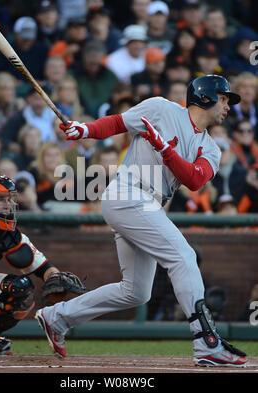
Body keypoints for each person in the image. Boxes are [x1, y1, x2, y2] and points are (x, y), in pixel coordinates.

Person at [36, 74, 248, 367]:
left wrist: (165, 148)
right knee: (184, 256)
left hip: (149, 203)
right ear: (205, 97)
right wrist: (83, 129)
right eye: (224, 99)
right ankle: (205, 340)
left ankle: (56, 317)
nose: (228, 106)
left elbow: (195, 179)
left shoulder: (211, 147)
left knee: (135, 292)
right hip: (128, 192)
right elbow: (117, 123)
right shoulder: (161, 108)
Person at [0, 173, 84, 355]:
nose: (8, 205)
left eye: (9, 199)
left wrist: (55, 278)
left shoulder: (8, 233)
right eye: (1, 199)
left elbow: (42, 267)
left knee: (21, 288)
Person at [0, 17, 49, 81]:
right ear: (15, 34)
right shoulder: (4, 51)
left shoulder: (42, 50)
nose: (27, 40)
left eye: (29, 37)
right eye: (24, 37)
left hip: (35, 89)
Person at [70, 40, 119, 118]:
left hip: (106, 118)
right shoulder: (73, 75)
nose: (93, 59)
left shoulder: (110, 76)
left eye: (96, 61)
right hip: (79, 117)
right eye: (90, 58)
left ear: (102, 58)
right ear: (84, 57)